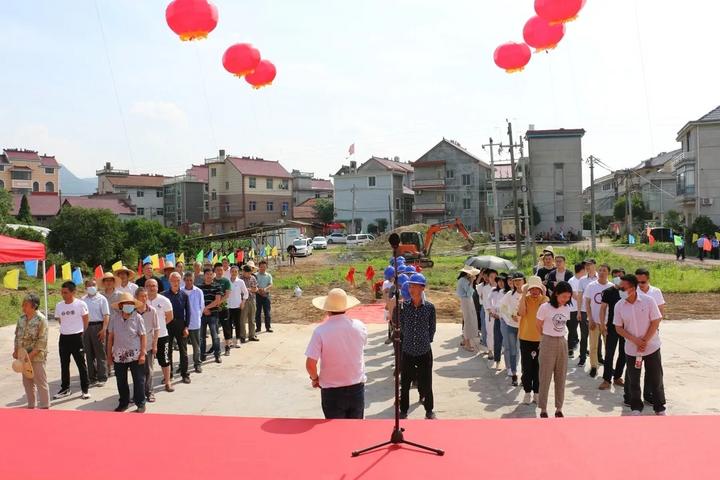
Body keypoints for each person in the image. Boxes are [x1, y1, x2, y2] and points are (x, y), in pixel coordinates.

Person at [305, 288, 367, 419]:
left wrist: (315, 379)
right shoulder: (360, 326)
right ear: (346, 307)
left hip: (332, 391)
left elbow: (310, 364)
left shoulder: (321, 331)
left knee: (335, 434)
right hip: (356, 387)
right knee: (355, 432)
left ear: (327, 309)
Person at [613, 274, 666, 415]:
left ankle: (659, 407)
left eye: (623, 288)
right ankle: (636, 407)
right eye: (619, 287)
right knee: (633, 380)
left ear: (632, 288)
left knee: (656, 378)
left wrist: (645, 341)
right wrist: (635, 341)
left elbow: (656, 321)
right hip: (632, 349)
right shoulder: (619, 305)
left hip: (651, 347)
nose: (620, 290)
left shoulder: (648, 301)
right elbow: (618, 327)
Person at [395, 273, 437, 419]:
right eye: (410, 286)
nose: (411, 289)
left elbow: (432, 328)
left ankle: (429, 410)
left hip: (424, 351)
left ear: (422, 288)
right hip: (407, 351)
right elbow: (400, 325)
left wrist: (425, 340)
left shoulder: (430, 308)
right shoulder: (403, 306)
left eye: (414, 286)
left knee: (427, 382)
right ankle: (403, 410)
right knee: (405, 383)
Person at [536, 281, 572, 418]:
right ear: (556, 293)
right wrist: (544, 337)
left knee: (561, 376)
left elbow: (564, 325)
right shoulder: (545, 307)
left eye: (568, 297)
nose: (566, 300)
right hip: (547, 341)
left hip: (562, 342)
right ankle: (543, 408)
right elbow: (538, 325)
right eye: (563, 296)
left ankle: (559, 408)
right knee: (545, 376)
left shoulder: (566, 309)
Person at [107, 292, 147, 413]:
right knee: (121, 380)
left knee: (138, 380)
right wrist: (109, 355)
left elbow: (143, 336)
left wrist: (143, 353)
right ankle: (123, 402)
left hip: (135, 354)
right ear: (121, 306)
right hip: (119, 355)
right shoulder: (115, 318)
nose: (128, 306)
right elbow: (110, 337)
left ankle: (140, 403)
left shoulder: (138, 318)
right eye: (126, 304)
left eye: (130, 304)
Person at [53, 281, 91, 400]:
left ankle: (85, 389)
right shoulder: (59, 305)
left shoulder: (81, 304)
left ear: (73, 292)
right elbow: (60, 320)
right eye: (62, 292)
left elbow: (86, 320)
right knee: (64, 364)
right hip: (64, 337)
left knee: (81, 364)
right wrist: (67, 329)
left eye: (66, 292)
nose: (63, 294)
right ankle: (65, 389)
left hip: (77, 337)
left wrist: (80, 333)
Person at [635, 268, 666, 404]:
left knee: (653, 368)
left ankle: (649, 394)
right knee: (634, 368)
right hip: (635, 336)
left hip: (652, 335)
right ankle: (631, 396)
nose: (640, 285)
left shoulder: (656, 292)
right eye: (638, 282)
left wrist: (652, 330)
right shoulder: (632, 293)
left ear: (648, 279)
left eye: (643, 281)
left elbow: (660, 312)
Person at [14, 293, 49, 409]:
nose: (23, 307)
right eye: (23, 304)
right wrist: (16, 350)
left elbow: (42, 341)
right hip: (23, 356)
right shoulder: (21, 319)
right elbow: (17, 336)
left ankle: (44, 407)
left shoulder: (41, 320)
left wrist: (30, 355)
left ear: (34, 306)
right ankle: (30, 407)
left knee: (40, 381)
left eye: (26, 305)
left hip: (37, 356)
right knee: (27, 383)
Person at [517, 276, 548, 405]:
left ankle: (537, 392)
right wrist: (524, 293)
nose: (535, 291)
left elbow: (545, 312)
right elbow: (521, 312)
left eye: (537, 289)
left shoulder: (545, 300)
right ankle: (527, 392)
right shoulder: (525, 299)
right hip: (525, 337)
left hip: (540, 339)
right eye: (532, 289)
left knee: (538, 367)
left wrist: (545, 295)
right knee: (526, 366)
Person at [598, 268, 626, 390]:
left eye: (620, 276)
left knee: (624, 353)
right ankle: (606, 379)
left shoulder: (629, 291)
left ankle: (618, 377)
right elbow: (603, 308)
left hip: (627, 328)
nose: (618, 278)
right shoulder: (608, 291)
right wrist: (602, 325)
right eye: (615, 276)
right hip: (612, 326)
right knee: (609, 353)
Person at [583, 264, 613, 378]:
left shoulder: (612, 287)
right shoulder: (591, 286)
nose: (601, 272)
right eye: (600, 270)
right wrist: (590, 319)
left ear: (608, 273)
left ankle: (609, 368)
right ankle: (594, 366)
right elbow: (587, 303)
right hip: (594, 321)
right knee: (593, 346)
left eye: (604, 271)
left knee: (608, 346)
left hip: (607, 323)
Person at [146, 279, 174, 392]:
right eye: (148, 286)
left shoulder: (164, 300)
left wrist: (159, 327)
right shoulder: (142, 301)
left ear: (157, 287)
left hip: (162, 335)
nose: (151, 288)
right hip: (146, 337)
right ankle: (147, 386)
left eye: (154, 286)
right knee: (147, 364)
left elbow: (170, 317)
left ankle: (167, 382)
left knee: (165, 360)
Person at [162, 272, 191, 384]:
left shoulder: (184, 295)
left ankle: (185, 374)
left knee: (183, 351)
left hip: (180, 325)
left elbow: (188, 312)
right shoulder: (164, 295)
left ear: (180, 281)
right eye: (173, 280)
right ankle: (169, 375)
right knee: (167, 351)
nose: (175, 282)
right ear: (169, 281)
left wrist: (186, 327)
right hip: (167, 325)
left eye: (178, 280)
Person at [82, 279, 109, 387]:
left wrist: (104, 329)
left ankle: (102, 377)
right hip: (86, 327)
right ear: (85, 287)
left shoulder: (102, 299)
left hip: (99, 326)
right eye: (89, 285)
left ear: (96, 286)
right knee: (88, 353)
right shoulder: (83, 300)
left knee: (100, 353)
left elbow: (106, 315)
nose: (91, 287)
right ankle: (91, 377)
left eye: (93, 285)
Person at [499, 273, 525, 386]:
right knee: (513, 350)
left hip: (525, 327)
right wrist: (510, 316)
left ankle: (525, 374)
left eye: (519, 280)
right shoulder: (509, 294)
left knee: (524, 352)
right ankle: (514, 374)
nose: (518, 283)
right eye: (515, 281)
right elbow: (502, 307)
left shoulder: (528, 294)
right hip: (511, 326)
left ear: (524, 281)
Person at [135, 287, 159, 402]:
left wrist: (155, 345)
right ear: (136, 298)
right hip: (134, 347)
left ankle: (149, 392)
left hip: (149, 345)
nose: (144, 299)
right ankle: (138, 393)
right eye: (142, 296)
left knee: (149, 370)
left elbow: (156, 329)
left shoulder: (152, 310)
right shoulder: (132, 311)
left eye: (146, 296)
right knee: (137, 372)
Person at [198, 268, 223, 363]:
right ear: (204, 275)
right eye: (207, 274)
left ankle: (217, 355)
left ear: (213, 275)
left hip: (213, 314)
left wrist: (206, 308)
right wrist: (203, 310)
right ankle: (202, 355)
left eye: (210, 274)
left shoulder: (217, 286)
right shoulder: (199, 287)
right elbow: (197, 301)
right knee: (202, 336)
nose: (209, 276)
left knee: (215, 335)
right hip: (202, 315)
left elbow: (217, 301)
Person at [183, 272, 205, 373]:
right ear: (184, 280)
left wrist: (197, 316)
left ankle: (197, 364)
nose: (188, 282)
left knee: (196, 345)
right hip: (183, 324)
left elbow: (202, 306)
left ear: (193, 280)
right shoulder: (181, 291)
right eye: (186, 280)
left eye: (190, 280)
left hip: (195, 322)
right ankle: (183, 365)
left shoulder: (198, 291)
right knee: (183, 347)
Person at [577, 259, 598, 367]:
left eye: (590, 265)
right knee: (584, 336)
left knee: (597, 336)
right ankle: (582, 358)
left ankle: (599, 357)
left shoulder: (601, 277)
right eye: (586, 265)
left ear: (595, 265)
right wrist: (579, 311)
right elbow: (580, 296)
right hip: (585, 311)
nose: (588, 267)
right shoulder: (582, 280)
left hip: (598, 312)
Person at [487, 273, 509, 369]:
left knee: (507, 342)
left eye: (502, 281)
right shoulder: (493, 291)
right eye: (499, 281)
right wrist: (491, 312)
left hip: (507, 320)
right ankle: (497, 361)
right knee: (497, 340)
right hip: (497, 319)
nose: (500, 283)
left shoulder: (508, 293)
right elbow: (488, 302)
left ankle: (509, 364)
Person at [457, 266, 480, 352]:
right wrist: (472, 281)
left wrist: (471, 281)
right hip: (466, 300)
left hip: (467, 300)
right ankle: (467, 344)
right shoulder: (464, 280)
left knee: (469, 320)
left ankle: (465, 341)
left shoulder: (464, 280)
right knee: (468, 321)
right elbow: (469, 292)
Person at [212, 263, 233, 355]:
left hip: (224, 308)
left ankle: (227, 346)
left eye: (221, 270)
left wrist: (218, 303)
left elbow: (227, 295)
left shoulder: (226, 281)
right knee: (214, 328)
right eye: (217, 270)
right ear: (214, 271)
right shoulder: (211, 281)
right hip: (214, 309)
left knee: (226, 327)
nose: (219, 272)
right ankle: (214, 346)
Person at [566, 262, 586, 358]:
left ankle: (584, 349)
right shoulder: (572, 281)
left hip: (583, 309)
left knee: (584, 332)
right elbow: (575, 296)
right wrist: (587, 300)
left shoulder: (584, 280)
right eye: (585, 270)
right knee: (572, 330)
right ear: (582, 270)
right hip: (573, 310)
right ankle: (570, 349)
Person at [228, 265, 249, 346]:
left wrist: (243, 302)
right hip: (228, 306)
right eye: (232, 271)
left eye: (235, 272)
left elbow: (246, 293)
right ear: (230, 272)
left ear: (238, 273)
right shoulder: (227, 281)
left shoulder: (240, 282)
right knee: (228, 324)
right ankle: (229, 340)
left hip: (237, 306)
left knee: (237, 324)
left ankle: (237, 340)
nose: (233, 273)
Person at [240, 264, 259, 342]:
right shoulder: (240, 279)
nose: (248, 274)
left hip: (252, 300)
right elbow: (240, 290)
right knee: (243, 320)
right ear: (243, 271)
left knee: (252, 319)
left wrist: (249, 289)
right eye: (246, 272)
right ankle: (242, 336)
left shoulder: (253, 278)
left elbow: (255, 289)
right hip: (243, 301)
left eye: (249, 272)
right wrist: (250, 289)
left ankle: (252, 335)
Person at [480, 269, 498, 351]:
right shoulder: (485, 288)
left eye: (495, 277)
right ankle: (490, 350)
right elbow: (485, 302)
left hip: (499, 315)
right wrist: (490, 311)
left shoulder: (500, 288)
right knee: (490, 333)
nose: (493, 278)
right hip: (490, 314)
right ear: (488, 278)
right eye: (491, 277)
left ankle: (497, 349)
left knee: (498, 333)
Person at [255, 260, 274, 333]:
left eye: (264, 267)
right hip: (257, 295)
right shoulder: (255, 275)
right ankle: (258, 327)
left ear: (266, 267)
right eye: (261, 267)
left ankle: (268, 327)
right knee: (258, 312)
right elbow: (254, 284)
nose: (262, 268)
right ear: (259, 267)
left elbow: (271, 284)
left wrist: (265, 289)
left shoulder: (268, 275)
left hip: (266, 295)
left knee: (267, 312)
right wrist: (259, 290)